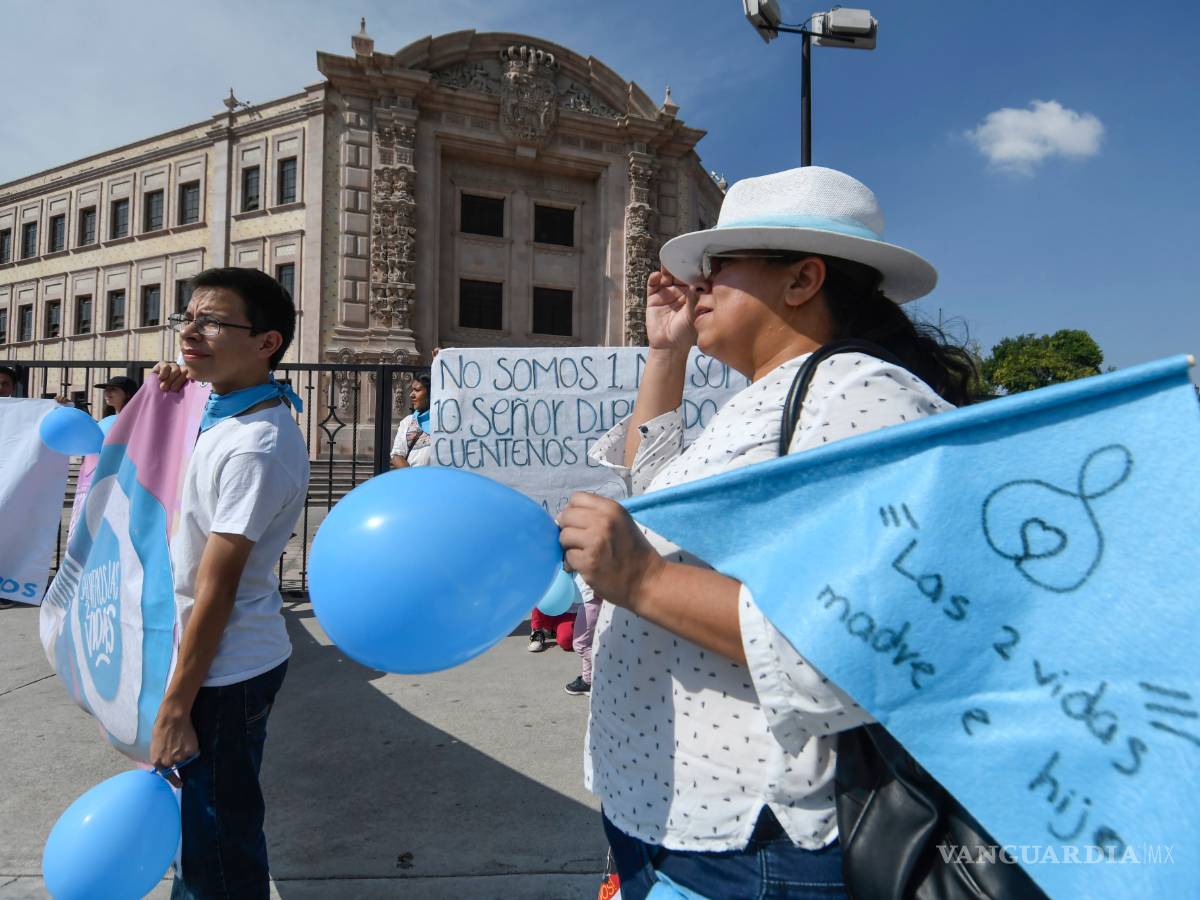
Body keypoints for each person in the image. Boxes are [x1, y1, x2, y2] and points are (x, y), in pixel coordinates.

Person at [556, 167, 977, 899]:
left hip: (748, 837)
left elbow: (864, 641)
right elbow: (656, 502)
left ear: (802, 280)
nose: (699, 285)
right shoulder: (780, 393)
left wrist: (642, 581)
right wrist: (666, 355)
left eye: (721, 267)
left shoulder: (859, 395)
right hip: (673, 811)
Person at [149, 266, 309, 900]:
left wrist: (176, 705)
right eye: (186, 317)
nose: (190, 331)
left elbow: (216, 590)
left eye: (211, 322)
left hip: (224, 671)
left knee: (217, 846)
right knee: (207, 831)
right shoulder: (221, 404)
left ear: (266, 342)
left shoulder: (257, 444)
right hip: (214, 661)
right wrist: (165, 387)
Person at [565, 577, 601, 695]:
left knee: (580, 644)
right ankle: (588, 681)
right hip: (592, 600)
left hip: (591, 601)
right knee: (587, 642)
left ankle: (611, 668)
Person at [390, 373, 433, 468]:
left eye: (417, 390)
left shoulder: (448, 423)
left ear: (432, 393)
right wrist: (414, 479)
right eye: (412, 390)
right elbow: (397, 455)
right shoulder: (408, 422)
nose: (411, 395)